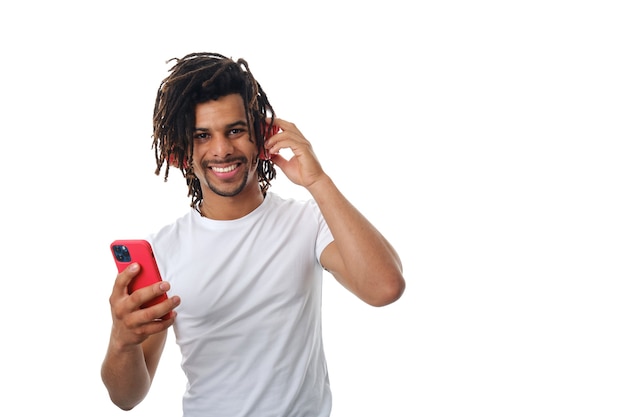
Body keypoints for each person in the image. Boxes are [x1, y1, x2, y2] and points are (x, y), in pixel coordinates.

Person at [101, 52, 405, 417]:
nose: (222, 149)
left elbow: (385, 288)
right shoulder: (163, 250)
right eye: (201, 136)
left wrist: (317, 181)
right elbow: (126, 397)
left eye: (235, 130)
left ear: (261, 137)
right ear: (181, 153)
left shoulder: (309, 222)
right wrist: (122, 339)